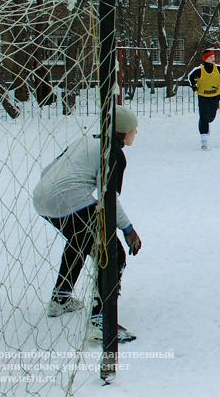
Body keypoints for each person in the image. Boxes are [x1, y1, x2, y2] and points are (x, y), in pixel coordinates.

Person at [33, 105, 142, 343]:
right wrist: (128, 229)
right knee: (114, 255)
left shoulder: (86, 141)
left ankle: (60, 297)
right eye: (134, 129)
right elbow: (109, 198)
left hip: (42, 199)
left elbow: (47, 170)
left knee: (80, 239)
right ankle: (101, 319)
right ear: (123, 133)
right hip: (70, 200)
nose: (136, 133)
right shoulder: (112, 152)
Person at [187, 49, 220, 150]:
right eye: (211, 57)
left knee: (211, 117)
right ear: (205, 59)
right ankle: (204, 140)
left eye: (214, 57)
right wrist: (194, 87)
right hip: (203, 96)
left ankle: (207, 124)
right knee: (203, 116)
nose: (213, 59)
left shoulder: (219, 68)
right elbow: (190, 77)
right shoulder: (199, 70)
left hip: (215, 95)